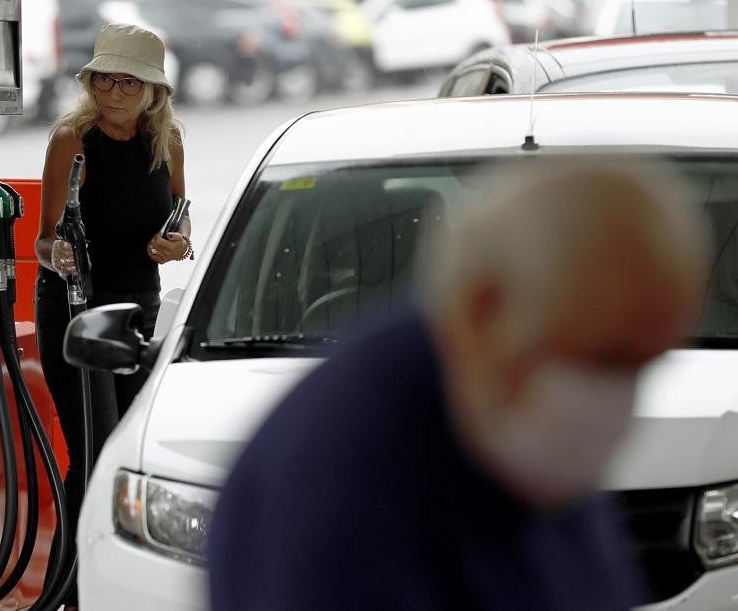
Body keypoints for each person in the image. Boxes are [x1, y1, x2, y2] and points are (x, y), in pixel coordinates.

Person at [207, 158, 708, 610]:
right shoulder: (328, 487)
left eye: (644, 365)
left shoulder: (507, 424)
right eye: (604, 360)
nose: (617, 401)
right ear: (485, 308)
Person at [34, 23, 192, 608]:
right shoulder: (71, 141)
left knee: (128, 451)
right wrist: (60, 254)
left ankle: (117, 588)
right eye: (106, 78)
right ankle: (68, 592)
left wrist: (172, 244)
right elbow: (43, 242)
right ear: (91, 81)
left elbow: (179, 218)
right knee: (92, 447)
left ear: (154, 90)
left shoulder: (167, 141)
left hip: (136, 315)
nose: (116, 92)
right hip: (74, 311)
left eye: (130, 81)